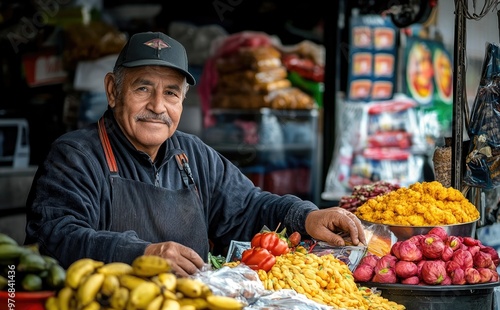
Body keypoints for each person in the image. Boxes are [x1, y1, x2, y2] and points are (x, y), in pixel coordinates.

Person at [25, 31, 366, 277]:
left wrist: (305, 217)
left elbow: (248, 207)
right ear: (113, 91)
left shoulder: (192, 155)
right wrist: (143, 254)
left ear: (182, 101)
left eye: (171, 93)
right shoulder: (76, 156)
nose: (157, 106)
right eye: (143, 88)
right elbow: (57, 238)